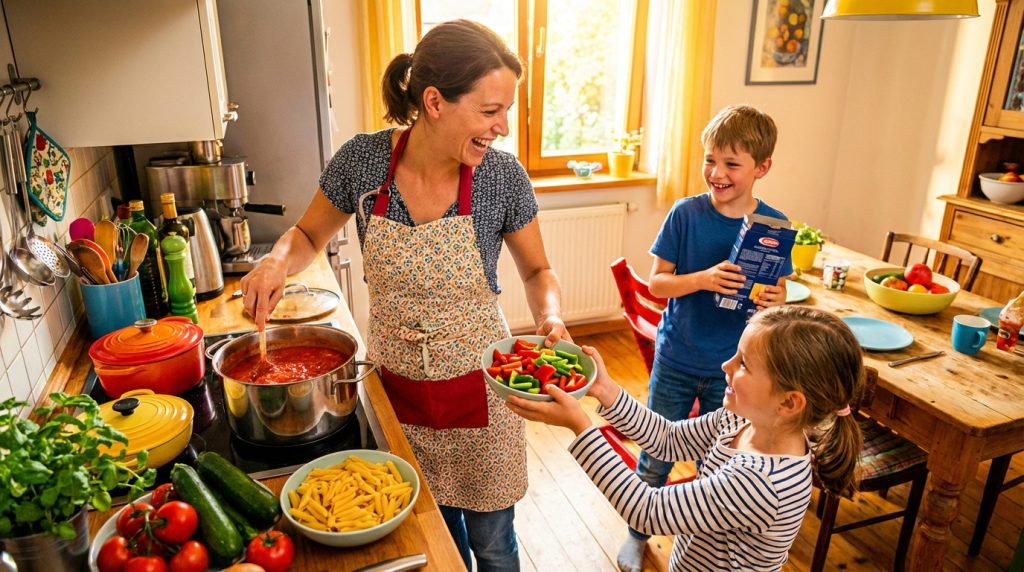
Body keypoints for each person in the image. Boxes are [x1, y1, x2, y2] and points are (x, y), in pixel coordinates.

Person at [239, 19, 568, 571]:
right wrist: (275, 263)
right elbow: (308, 235)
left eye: (506, 111)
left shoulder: (502, 178)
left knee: (492, 543)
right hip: (398, 394)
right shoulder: (363, 162)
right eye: (491, 111)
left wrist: (551, 317)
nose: (503, 127)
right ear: (435, 101)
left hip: (482, 392)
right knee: (432, 540)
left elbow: (538, 271)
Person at [507, 305, 864, 571]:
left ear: (789, 402)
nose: (726, 366)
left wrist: (582, 427)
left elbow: (648, 511)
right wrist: (606, 389)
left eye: (744, 365)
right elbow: (668, 438)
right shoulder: (740, 418)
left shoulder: (761, 482)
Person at [620, 104, 792, 571]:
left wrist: (777, 298)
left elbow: (778, 291)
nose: (716, 173)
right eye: (710, 160)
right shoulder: (686, 213)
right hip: (677, 356)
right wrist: (702, 279)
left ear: (762, 168)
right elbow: (657, 284)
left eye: (731, 164)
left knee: (717, 461)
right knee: (657, 452)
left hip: (736, 370)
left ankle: (700, 538)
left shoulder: (774, 226)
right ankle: (637, 534)